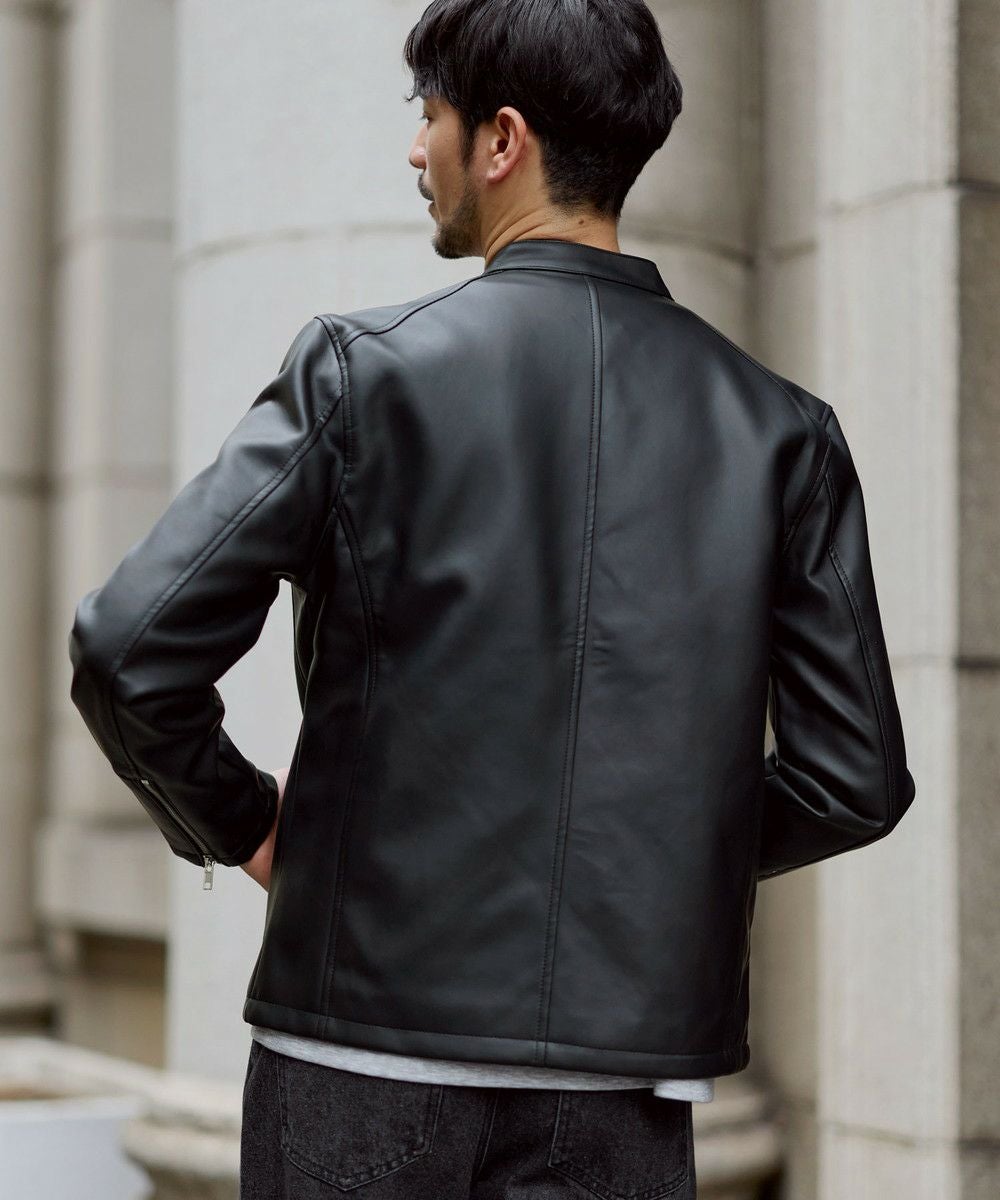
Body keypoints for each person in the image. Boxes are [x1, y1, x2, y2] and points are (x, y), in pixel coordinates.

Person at [67, 1, 917, 1196]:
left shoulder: (359, 375)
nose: (416, 151)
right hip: (623, 1096)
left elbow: (126, 647)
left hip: (359, 1064)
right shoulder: (784, 433)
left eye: (430, 117)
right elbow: (852, 778)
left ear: (502, 140)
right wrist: (661, 861)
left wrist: (250, 824)